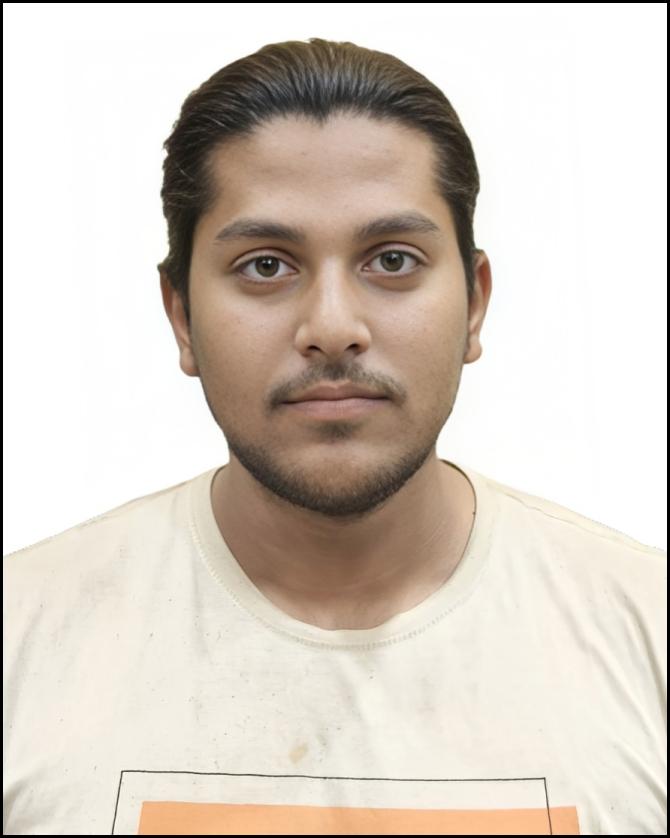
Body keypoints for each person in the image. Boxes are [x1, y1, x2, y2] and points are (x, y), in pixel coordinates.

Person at [3, 38, 665, 836]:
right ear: (181, 316)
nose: (332, 326)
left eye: (392, 259)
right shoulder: (22, 640)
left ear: (474, 303)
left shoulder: (647, 633)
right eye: (266, 266)